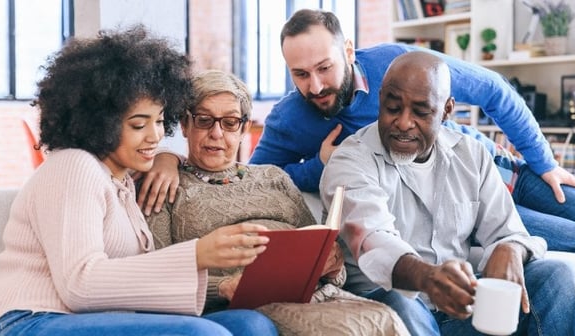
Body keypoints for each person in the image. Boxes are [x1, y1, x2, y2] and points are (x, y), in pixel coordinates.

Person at [0, 26, 278, 336]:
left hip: (94, 318)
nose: (155, 135)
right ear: (98, 123)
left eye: (158, 120)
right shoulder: (74, 166)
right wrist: (197, 255)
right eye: (139, 124)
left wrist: (169, 158)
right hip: (32, 320)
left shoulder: (124, 182)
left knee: (252, 325)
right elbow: (79, 284)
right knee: (206, 335)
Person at [244, 8, 575, 254]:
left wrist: (545, 164)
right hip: (466, 205)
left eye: (324, 68)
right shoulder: (289, 118)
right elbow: (257, 181)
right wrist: (321, 165)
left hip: (497, 166)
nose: (316, 86)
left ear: (347, 51)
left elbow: (493, 90)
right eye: (300, 74)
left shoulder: (395, 64)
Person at [320, 50, 575, 335]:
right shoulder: (352, 160)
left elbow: (509, 230)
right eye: (393, 107)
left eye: (421, 112)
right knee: (401, 300)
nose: (403, 122)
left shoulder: (470, 155)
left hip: (461, 312)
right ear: (380, 100)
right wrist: (427, 278)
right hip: (386, 304)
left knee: (558, 276)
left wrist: (512, 248)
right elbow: (374, 241)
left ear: (447, 110)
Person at [143, 69, 410, 335]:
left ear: (244, 128)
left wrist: (333, 263)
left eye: (230, 122)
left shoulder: (274, 177)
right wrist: (223, 286)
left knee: (389, 320)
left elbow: (320, 250)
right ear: (185, 125)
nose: (217, 133)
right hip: (245, 307)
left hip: (320, 295)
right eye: (204, 121)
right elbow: (158, 277)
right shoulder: (166, 185)